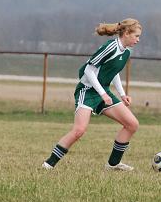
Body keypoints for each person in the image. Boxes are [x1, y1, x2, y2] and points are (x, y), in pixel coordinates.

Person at [42, 19, 142, 171]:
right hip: (87, 91)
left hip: (104, 92)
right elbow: (89, 70)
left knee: (132, 124)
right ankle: (48, 165)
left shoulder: (126, 52)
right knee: (79, 130)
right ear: (126, 33)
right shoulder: (110, 47)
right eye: (136, 35)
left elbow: (113, 72)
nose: (138, 39)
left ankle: (113, 164)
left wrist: (122, 94)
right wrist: (102, 94)